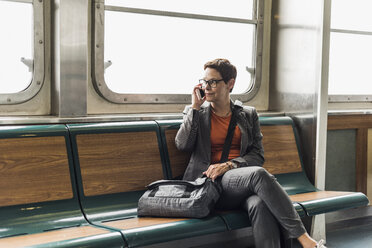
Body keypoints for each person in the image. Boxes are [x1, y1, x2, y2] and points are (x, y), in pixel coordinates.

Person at [175, 58, 326, 248]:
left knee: (259, 204)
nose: (207, 87)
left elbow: (257, 155)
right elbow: (182, 144)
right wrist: (195, 108)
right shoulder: (196, 113)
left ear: (230, 84)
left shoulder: (247, 114)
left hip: (238, 185)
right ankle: (306, 241)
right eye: (204, 82)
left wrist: (229, 165)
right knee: (259, 175)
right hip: (208, 185)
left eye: (213, 82)